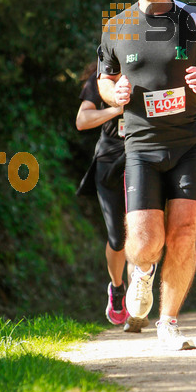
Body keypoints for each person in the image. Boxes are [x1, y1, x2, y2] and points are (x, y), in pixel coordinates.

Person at [97, 0, 196, 350]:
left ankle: (168, 321)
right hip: (140, 146)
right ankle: (142, 271)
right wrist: (111, 94)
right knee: (145, 241)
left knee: (185, 232)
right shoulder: (115, 28)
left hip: (189, 143)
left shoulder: (193, 20)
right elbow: (104, 78)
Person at [76, 64, 144, 332]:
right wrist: (117, 108)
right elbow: (82, 121)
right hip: (110, 159)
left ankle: (137, 303)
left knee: (141, 231)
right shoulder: (101, 79)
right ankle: (117, 288)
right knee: (118, 238)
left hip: (143, 155)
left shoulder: (151, 68)